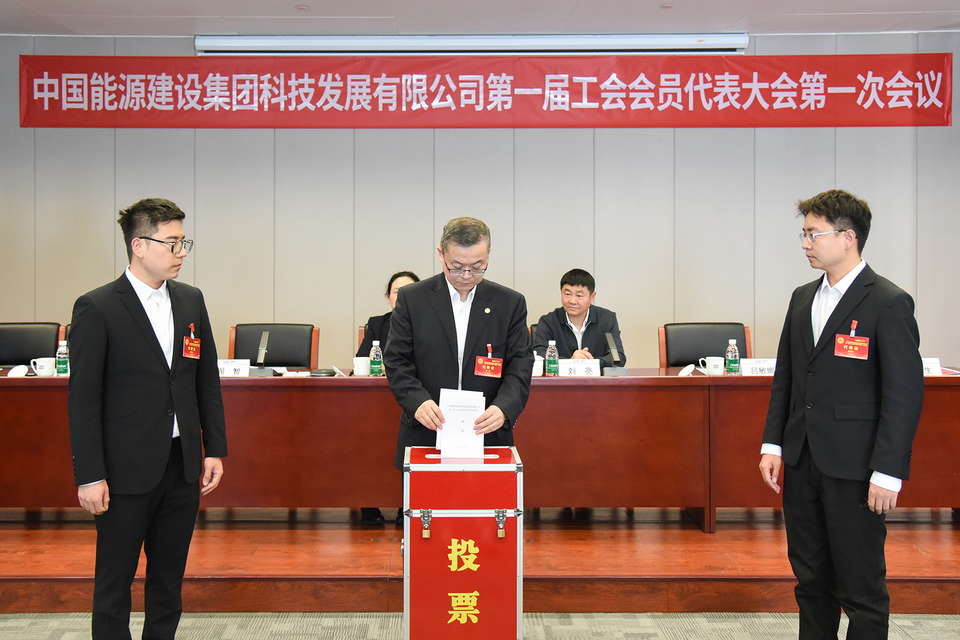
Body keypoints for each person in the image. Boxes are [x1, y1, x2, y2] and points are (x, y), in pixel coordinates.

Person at [758, 189, 923, 639]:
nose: (805, 243)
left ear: (848, 237)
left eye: (814, 234)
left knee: (861, 586)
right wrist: (773, 444)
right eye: (804, 233)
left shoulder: (887, 301)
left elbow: (904, 395)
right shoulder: (802, 298)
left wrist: (888, 471)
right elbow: (787, 378)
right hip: (802, 460)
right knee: (810, 580)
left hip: (857, 467)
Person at [68, 198, 228, 640]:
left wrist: (214, 448)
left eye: (184, 242)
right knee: (114, 584)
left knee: (167, 583)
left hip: (181, 465)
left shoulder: (191, 300)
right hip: (123, 471)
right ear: (138, 245)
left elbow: (204, 380)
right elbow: (83, 400)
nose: (181, 252)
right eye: (171, 243)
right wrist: (90, 474)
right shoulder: (97, 306)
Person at [384, 216, 534, 470]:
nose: (466, 275)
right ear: (441, 254)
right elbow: (397, 360)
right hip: (426, 430)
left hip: (488, 433)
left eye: (477, 266)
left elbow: (520, 363)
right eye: (456, 266)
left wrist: (504, 408)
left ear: (488, 254)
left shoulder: (509, 303)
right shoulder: (412, 299)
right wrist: (417, 401)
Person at [356, 270, 419, 525]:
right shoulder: (377, 324)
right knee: (369, 445)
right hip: (378, 401)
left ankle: (408, 504)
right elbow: (362, 360)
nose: (402, 297)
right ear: (388, 297)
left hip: (416, 399)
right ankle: (369, 502)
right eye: (397, 292)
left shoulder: (430, 323)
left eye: (409, 292)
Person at [532, 268, 626, 368]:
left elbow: (618, 357)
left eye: (579, 296)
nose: (572, 301)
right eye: (567, 294)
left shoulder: (607, 319)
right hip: (562, 378)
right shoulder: (548, 321)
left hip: (597, 377)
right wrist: (570, 362)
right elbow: (539, 356)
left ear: (592, 297)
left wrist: (591, 363)